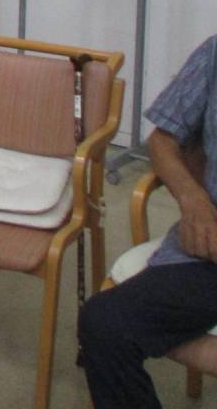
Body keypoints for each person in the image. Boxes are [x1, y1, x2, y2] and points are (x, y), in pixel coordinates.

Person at [79, 35, 217, 409]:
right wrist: (193, 199)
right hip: (208, 254)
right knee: (105, 323)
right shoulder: (214, 53)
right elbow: (163, 140)